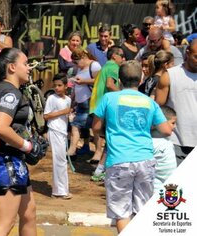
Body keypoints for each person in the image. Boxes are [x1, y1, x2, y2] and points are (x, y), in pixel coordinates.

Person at [92, 60, 172, 233]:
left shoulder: (109, 98)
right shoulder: (149, 102)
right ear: (141, 79)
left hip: (118, 160)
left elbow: (96, 127)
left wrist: (105, 133)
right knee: (142, 210)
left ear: (119, 80)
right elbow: (166, 129)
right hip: (145, 160)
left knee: (122, 213)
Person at [0, 47, 46, 235]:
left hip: (12, 159)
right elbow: (1, 128)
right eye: (25, 64)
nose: (29, 68)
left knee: (29, 213)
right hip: (5, 161)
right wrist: (27, 146)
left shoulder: (8, 90)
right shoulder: (11, 93)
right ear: (11, 67)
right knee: (4, 224)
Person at [155, 38, 197, 166]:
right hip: (175, 142)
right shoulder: (169, 75)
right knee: (175, 185)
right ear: (188, 53)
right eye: (196, 56)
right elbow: (158, 108)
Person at [89, 46, 125, 174]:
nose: (123, 59)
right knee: (113, 140)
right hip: (104, 108)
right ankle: (102, 171)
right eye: (122, 56)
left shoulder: (106, 66)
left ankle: (100, 170)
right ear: (114, 56)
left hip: (98, 107)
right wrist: (125, 95)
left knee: (110, 141)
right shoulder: (113, 67)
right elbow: (110, 85)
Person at [67, 47, 101, 157]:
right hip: (80, 102)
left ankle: (97, 152)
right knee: (77, 126)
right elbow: (76, 86)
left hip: (91, 101)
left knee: (94, 128)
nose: (76, 65)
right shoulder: (80, 69)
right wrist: (72, 100)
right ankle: (72, 151)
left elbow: (99, 81)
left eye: (76, 62)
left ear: (83, 57)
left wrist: (84, 82)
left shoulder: (94, 65)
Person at [44, 73, 72, 199]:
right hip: (54, 130)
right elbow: (46, 116)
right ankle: (58, 191)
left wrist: (68, 116)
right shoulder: (51, 98)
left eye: (60, 85)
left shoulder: (68, 99)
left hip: (63, 131)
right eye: (55, 85)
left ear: (66, 86)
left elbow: (65, 116)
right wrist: (63, 112)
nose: (57, 88)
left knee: (62, 160)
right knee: (59, 160)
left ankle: (62, 189)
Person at [151, 105, 177, 193]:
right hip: (154, 188)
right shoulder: (151, 142)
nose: (175, 126)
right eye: (173, 123)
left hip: (168, 187)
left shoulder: (167, 141)